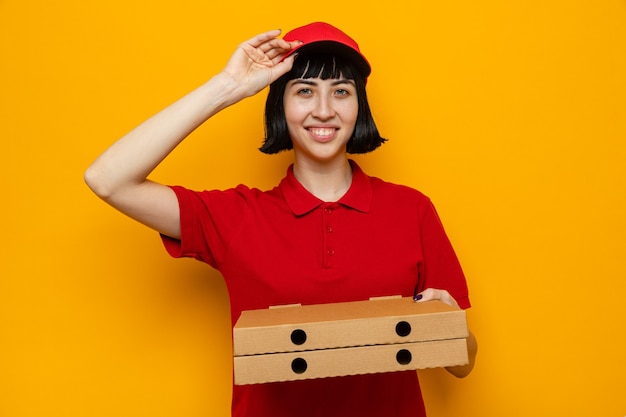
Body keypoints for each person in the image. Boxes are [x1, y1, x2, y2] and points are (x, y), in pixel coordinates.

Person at [85, 21, 477, 417]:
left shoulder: (411, 210)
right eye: (304, 91)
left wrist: (447, 328)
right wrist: (227, 87)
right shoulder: (236, 217)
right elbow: (107, 180)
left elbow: (463, 365)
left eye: (341, 91)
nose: (324, 110)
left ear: (359, 107)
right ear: (280, 106)